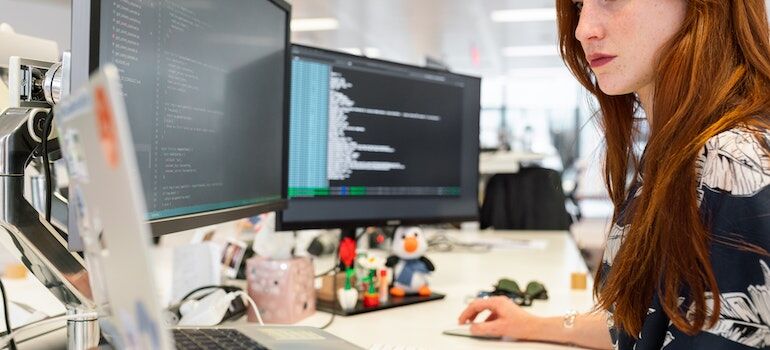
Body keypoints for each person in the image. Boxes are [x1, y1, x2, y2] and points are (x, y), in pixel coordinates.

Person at [458, 0, 770, 349]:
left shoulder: (733, 162)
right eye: (578, 4)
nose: (581, 29)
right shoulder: (679, 151)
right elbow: (647, 326)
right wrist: (530, 324)